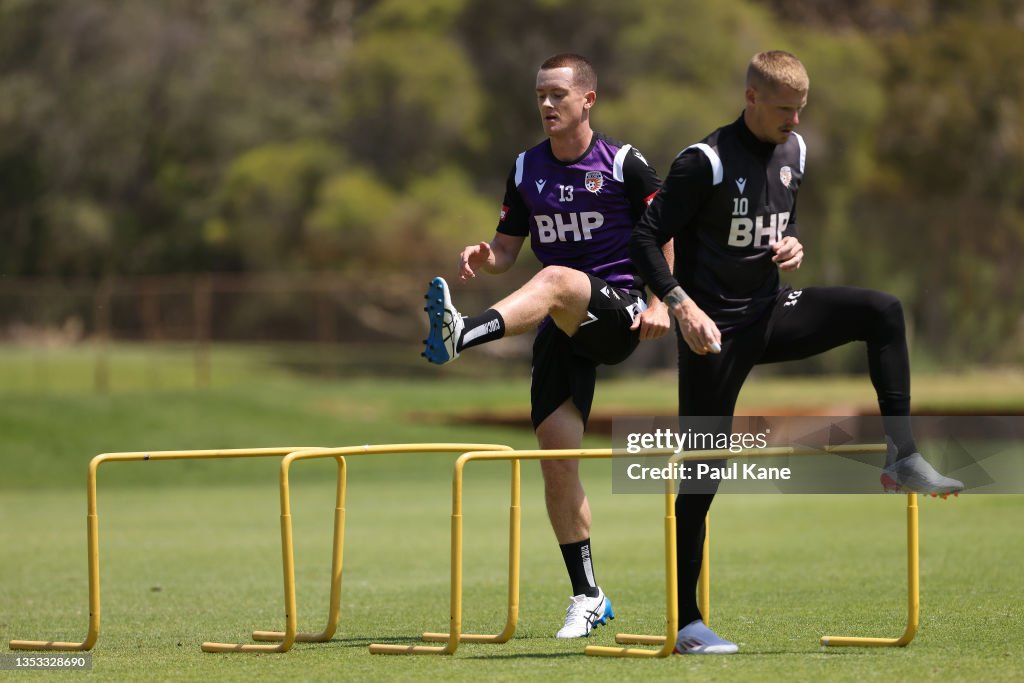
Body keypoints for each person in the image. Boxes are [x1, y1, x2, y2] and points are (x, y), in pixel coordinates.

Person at [629, 50, 964, 655]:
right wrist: (681, 306)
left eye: (801, 110)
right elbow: (647, 238)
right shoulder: (701, 161)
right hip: (712, 331)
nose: (796, 122)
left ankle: (903, 456)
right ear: (751, 97)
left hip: (768, 314)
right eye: (785, 110)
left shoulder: (797, 151)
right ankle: (687, 625)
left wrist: (790, 245)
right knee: (703, 473)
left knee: (881, 311)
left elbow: (775, 221)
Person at [422, 53, 672, 638]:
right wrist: (486, 257)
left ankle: (463, 334)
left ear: (588, 100)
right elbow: (508, 251)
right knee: (557, 464)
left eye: (558, 94)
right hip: (561, 328)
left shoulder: (624, 164)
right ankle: (588, 595)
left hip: (618, 313)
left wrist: (663, 302)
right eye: (540, 95)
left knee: (559, 277)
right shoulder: (526, 167)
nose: (546, 105)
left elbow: (666, 235)